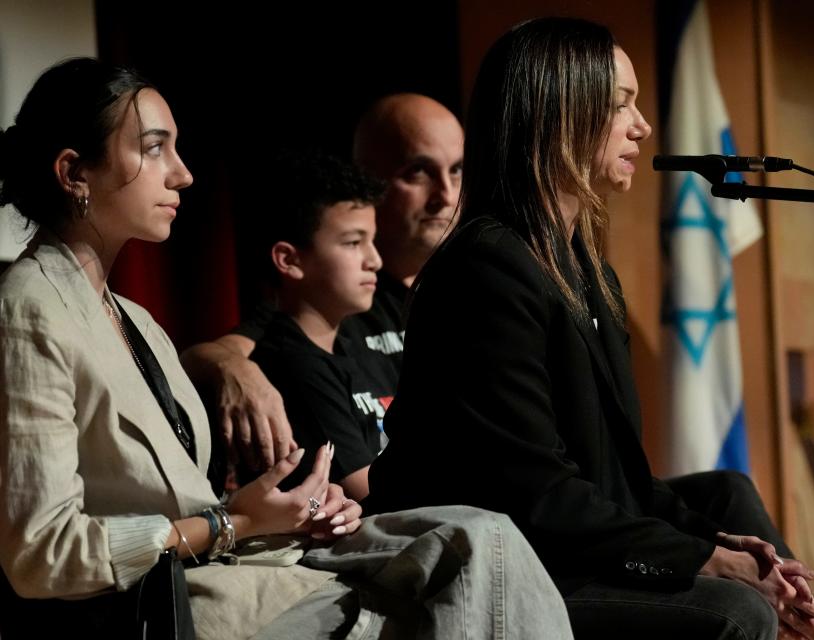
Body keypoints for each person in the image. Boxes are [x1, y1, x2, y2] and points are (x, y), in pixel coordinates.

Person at [0, 57, 574, 639]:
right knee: (477, 572)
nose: (182, 174)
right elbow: (41, 553)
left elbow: (195, 506)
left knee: (483, 535)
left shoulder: (137, 321)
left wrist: (293, 514)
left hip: (245, 570)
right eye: (154, 149)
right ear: (74, 172)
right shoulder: (27, 309)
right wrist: (236, 521)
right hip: (175, 609)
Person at [365, 18, 814, 640]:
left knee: (726, 499)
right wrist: (702, 560)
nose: (641, 126)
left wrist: (723, 546)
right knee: (736, 607)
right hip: (496, 569)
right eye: (621, 105)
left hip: (553, 546)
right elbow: (534, 493)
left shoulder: (588, 270)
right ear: (559, 114)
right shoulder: (487, 268)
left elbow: (619, 478)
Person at [179, 93, 463, 473]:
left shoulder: (468, 294)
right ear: (369, 177)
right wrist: (238, 371)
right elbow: (205, 356)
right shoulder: (331, 298)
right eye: (419, 172)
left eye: (457, 170)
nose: (446, 195)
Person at [245, 151, 392, 500]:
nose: (375, 260)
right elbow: (366, 491)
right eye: (354, 243)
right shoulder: (294, 363)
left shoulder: (351, 347)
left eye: (372, 241)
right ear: (289, 260)